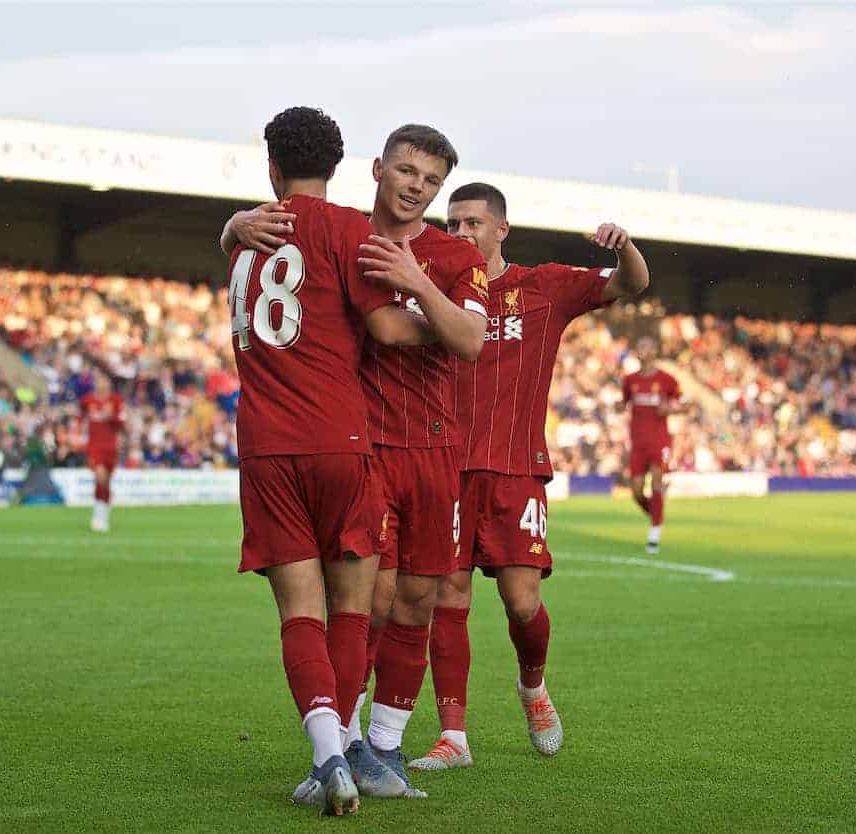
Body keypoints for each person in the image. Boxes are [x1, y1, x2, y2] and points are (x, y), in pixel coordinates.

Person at [222, 124, 488, 799]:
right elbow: (385, 329)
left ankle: (379, 749)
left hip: (425, 446)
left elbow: (472, 341)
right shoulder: (342, 232)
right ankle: (343, 741)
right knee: (365, 603)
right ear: (374, 168)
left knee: (415, 600)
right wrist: (234, 224)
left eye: (429, 180)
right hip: (356, 442)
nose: (414, 186)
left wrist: (420, 285)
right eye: (405, 171)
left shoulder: (454, 256)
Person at [408, 182, 650, 771]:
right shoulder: (436, 287)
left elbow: (630, 283)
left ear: (501, 229)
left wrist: (625, 247)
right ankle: (454, 736)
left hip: (518, 469)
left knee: (522, 603)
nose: (461, 233)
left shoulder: (541, 287)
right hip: (449, 466)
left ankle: (532, 687)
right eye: (454, 223)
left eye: (472, 224)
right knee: (449, 595)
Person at [621, 336, 682, 554]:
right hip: (638, 443)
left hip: (659, 440)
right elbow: (624, 402)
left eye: (646, 346)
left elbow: (683, 404)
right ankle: (656, 514)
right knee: (636, 492)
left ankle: (654, 535)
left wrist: (671, 409)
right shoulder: (629, 380)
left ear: (654, 351)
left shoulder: (667, 379)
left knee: (656, 483)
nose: (641, 350)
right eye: (639, 347)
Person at [80, 368, 124, 532]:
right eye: (98, 381)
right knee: (100, 475)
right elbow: (80, 417)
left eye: (104, 381)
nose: (101, 384)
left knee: (106, 482)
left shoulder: (116, 400)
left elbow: (122, 424)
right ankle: (98, 515)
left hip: (111, 447)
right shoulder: (87, 400)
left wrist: (111, 416)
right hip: (94, 445)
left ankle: (103, 512)